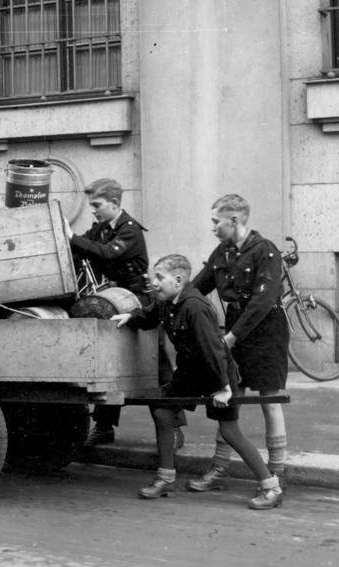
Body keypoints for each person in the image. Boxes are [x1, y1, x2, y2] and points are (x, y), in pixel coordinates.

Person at [112, 254, 283, 509]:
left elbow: (213, 350)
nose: (154, 282)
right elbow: (149, 316)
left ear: (179, 280)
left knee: (230, 432)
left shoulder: (195, 306)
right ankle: (165, 478)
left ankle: (271, 486)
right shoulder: (167, 301)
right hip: (190, 372)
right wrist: (130, 318)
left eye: (159, 277)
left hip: (216, 372)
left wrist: (224, 388)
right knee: (162, 411)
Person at [188, 194, 289, 491]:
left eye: (215, 222)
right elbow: (197, 287)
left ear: (234, 221)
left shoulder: (266, 251)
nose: (213, 228)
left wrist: (231, 337)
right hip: (235, 327)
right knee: (228, 395)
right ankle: (220, 468)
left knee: (268, 400)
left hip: (266, 330)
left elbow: (262, 301)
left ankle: (276, 472)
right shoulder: (223, 252)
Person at [69, 178, 180, 448]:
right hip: (115, 299)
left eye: (97, 205)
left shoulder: (129, 230)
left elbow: (106, 254)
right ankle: (105, 427)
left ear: (115, 203)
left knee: (155, 365)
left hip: (141, 301)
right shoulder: (101, 229)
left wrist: (70, 236)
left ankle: (172, 428)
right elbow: (82, 245)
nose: (92, 210)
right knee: (108, 361)